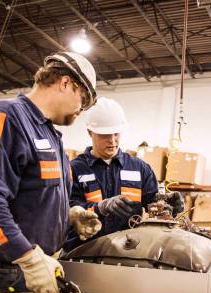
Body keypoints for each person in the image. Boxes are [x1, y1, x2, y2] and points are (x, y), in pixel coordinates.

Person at [0, 52, 101, 293]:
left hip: (35, 270)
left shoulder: (51, 136)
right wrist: (27, 258)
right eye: (83, 101)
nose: (80, 111)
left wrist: (67, 217)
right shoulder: (4, 117)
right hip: (1, 272)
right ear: (65, 83)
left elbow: (31, 199)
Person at [64, 97, 184, 251]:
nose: (112, 140)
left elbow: (152, 202)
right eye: (105, 135)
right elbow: (67, 210)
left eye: (116, 134)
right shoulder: (74, 169)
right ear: (90, 132)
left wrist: (166, 203)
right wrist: (101, 207)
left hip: (127, 252)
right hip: (84, 252)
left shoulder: (139, 168)